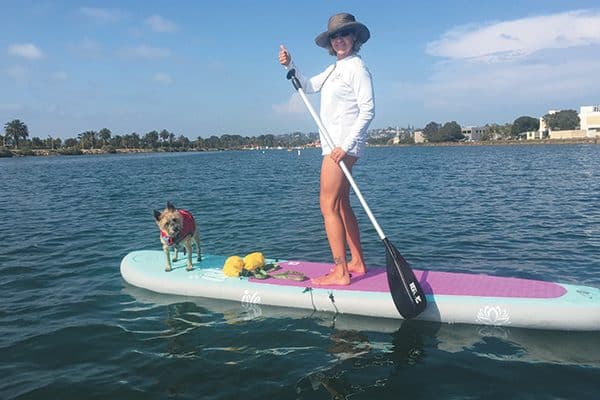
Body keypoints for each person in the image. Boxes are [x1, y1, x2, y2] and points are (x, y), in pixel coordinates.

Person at [278, 13, 375, 285]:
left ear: (354, 37)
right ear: (330, 42)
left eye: (344, 34)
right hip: (337, 146)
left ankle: (340, 271)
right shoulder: (335, 69)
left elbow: (368, 110)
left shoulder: (357, 68)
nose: (339, 40)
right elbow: (307, 86)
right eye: (334, 36)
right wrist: (291, 64)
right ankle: (357, 262)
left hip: (341, 145)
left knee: (327, 204)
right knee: (341, 204)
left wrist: (345, 145)